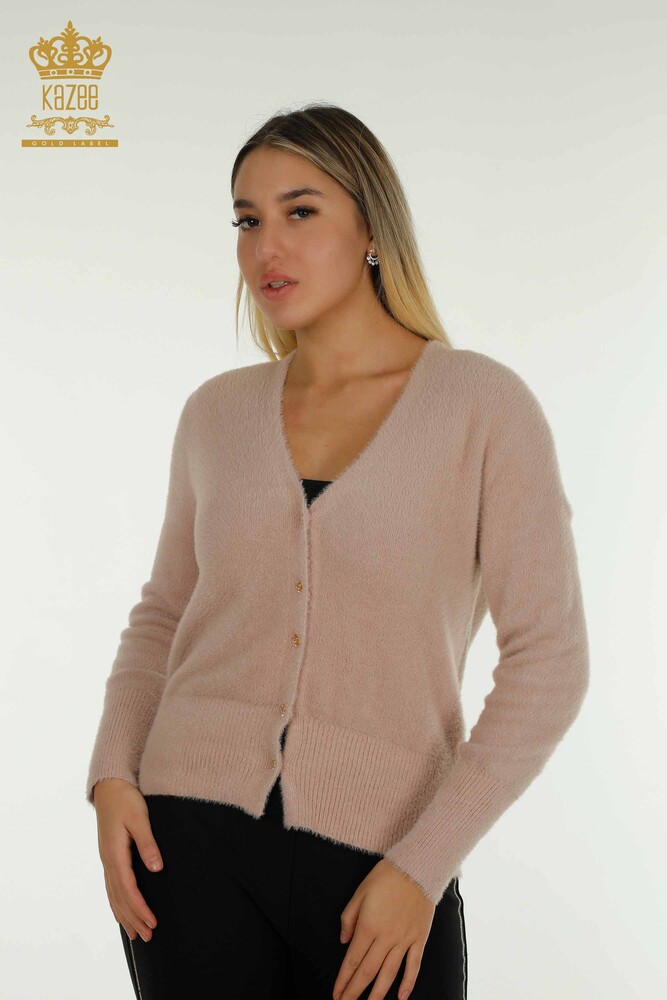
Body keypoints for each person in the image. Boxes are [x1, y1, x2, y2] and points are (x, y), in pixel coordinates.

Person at [86, 102, 589, 1000]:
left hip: (385, 862)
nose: (266, 247)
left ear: (371, 229)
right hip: (185, 843)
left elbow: (549, 662)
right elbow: (163, 613)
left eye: (300, 211)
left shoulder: (481, 407)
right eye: (247, 220)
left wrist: (423, 866)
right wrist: (113, 777)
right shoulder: (216, 413)